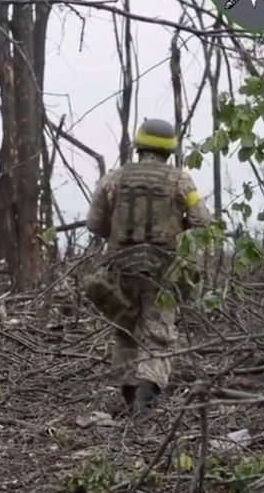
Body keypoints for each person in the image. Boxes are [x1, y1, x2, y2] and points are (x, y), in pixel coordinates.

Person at [85, 118, 212, 415]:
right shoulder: (181, 180)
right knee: (157, 333)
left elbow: (94, 223)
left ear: (139, 144)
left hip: (120, 268)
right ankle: (145, 402)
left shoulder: (113, 179)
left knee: (125, 329)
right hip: (163, 270)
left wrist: (118, 237)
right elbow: (202, 220)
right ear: (170, 150)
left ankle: (131, 397)